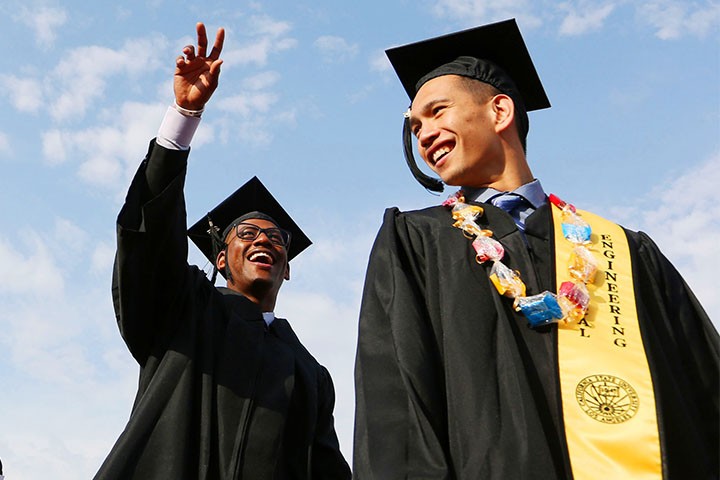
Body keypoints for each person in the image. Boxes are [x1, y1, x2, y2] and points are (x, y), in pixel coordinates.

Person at [353, 19, 718, 479]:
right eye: (416, 126)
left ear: (499, 111)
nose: (424, 134)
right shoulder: (415, 241)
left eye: (438, 111)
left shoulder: (623, 251)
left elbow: (705, 392)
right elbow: (397, 408)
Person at [95, 22, 351, 479]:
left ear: (287, 269)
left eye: (276, 239)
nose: (264, 241)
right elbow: (149, 243)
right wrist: (183, 118)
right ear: (219, 259)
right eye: (247, 234)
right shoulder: (183, 311)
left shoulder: (311, 374)